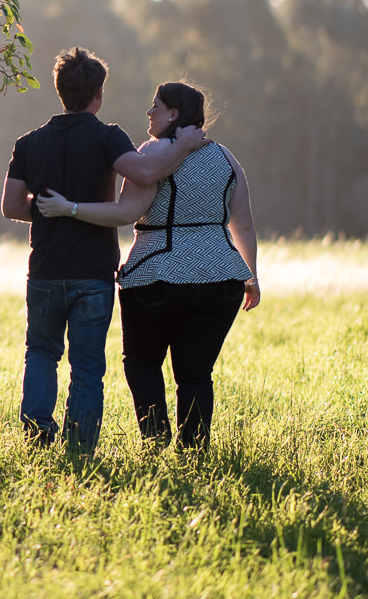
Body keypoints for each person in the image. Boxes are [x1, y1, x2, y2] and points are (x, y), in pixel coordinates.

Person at [1, 49, 208, 448]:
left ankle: (37, 434)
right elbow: (146, 172)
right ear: (98, 94)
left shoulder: (28, 143)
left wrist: (48, 212)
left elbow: (10, 206)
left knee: (41, 352)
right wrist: (182, 145)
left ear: (60, 91)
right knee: (88, 366)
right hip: (93, 272)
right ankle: (79, 446)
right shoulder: (107, 136)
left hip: (44, 269)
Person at [36, 80, 259, 449]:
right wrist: (251, 276)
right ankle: (194, 451)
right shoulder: (226, 157)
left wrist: (70, 209)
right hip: (222, 280)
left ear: (173, 114)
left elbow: (126, 212)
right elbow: (244, 224)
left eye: (155, 106)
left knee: (141, 362)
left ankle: (155, 441)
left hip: (156, 276)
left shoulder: (152, 155)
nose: (148, 112)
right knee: (196, 373)